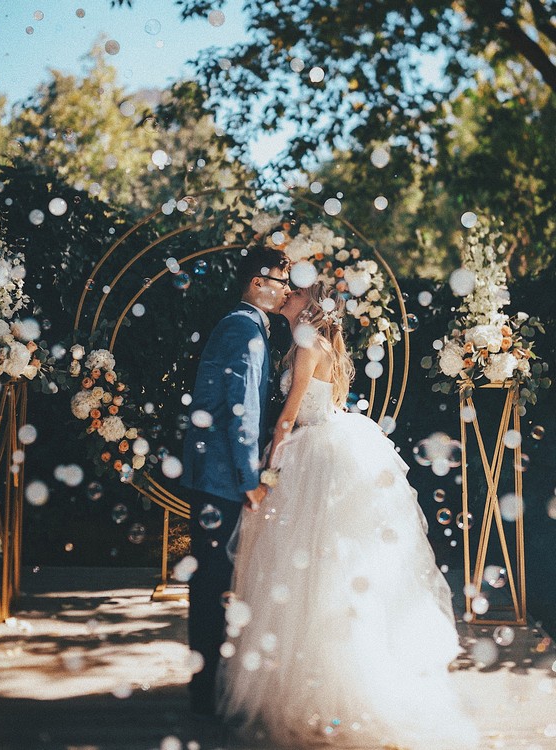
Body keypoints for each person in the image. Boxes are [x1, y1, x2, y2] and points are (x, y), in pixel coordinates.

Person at [217, 281, 480, 749]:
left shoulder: (303, 345)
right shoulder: (321, 344)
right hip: (333, 444)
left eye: (293, 296)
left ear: (307, 304)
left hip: (309, 454)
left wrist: (270, 473)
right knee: (330, 566)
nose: (285, 300)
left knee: (306, 566)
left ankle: (314, 686)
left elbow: (288, 415)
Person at [181, 244, 291, 716]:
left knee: (215, 579)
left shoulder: (248, 327)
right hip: (223, 478)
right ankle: (205, 689)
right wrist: (251, 480)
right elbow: (240, 411)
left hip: (219, 475)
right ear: (258, 283)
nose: (287, 290)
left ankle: (209, 680)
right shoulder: (243, 329)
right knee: (212, 581)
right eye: (281, 281)